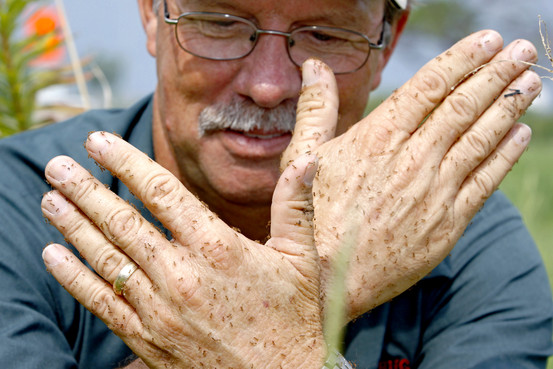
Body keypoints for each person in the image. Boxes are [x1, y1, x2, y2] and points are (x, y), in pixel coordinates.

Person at [0, 0, 551, 367]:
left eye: (325, 33)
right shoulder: (17, 204)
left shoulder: (467, 241)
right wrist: (313, 293)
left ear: (386, 42)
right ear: (152, 13)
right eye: (221, 21)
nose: (268, 85)